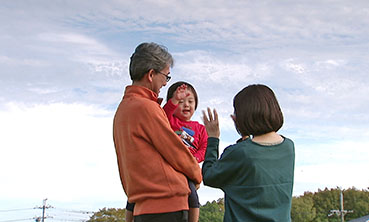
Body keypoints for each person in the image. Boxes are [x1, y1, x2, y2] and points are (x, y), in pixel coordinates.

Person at [113, 42, 202, 222]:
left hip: (142, 207)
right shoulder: (146, 107)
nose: (165, 82)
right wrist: (196, 175)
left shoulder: (123, 109)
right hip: (167, 206)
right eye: (166, 76)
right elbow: (174, 150)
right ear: (151, 74)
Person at [202, 84, 295, 222]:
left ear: (241, 117)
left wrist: (213, 139)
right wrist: (245, 135)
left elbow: (209, 176)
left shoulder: (238, 153)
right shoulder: (288, 147)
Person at [163, 81, 208, 222]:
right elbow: (163, 113)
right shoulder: (169, 120)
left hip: (188, 170)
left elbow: (205, 147)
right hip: (170, 166)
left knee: (193, 197)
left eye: (190, 101)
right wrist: (174, 100)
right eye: (181, 101)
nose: (186, 105)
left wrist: (195, 158)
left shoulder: (200, 128)